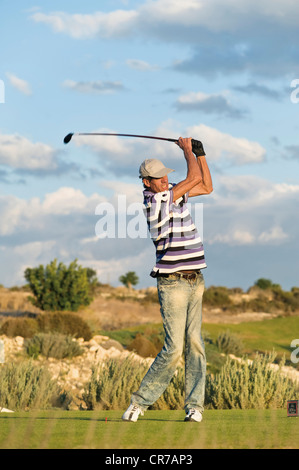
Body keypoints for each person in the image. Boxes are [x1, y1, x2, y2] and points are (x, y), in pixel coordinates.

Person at [122, 137, 213, 422]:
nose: (164, 181)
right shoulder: (155, 200)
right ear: (146, 182)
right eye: (159, 179)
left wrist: (201, 153)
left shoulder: (172, 192)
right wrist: (186, 150)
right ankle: (139, 403)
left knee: (195, 344)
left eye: (165, 177)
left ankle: (194, 407)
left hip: (195, 279)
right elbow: (193, 176)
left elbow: (206, 185)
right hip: (172, 283)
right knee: (174, 348)